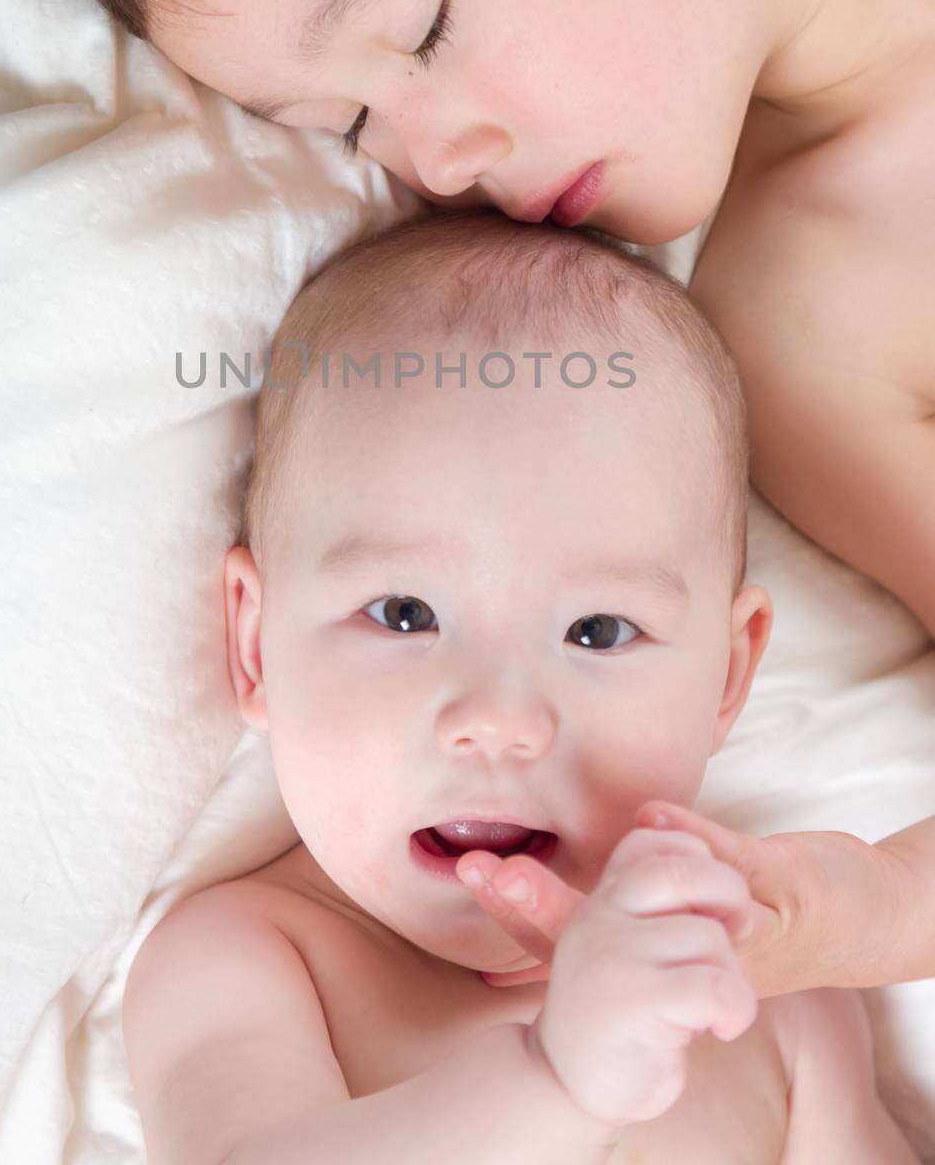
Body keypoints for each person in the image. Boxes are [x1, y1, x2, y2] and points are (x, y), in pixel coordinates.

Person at [0, 0, 935, 1000]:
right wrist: (845, 916)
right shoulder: (807, 334)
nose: (433, 157)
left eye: (419, 28)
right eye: (344, 130)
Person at [121, 209, 916, 1164]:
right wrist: (557, 1076)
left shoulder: (769, 982)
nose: (497, 721)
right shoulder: (254, 961)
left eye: (597, 630)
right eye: (404, 613)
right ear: (256, 647)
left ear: (726, 678)